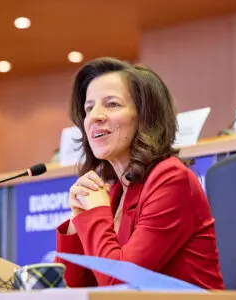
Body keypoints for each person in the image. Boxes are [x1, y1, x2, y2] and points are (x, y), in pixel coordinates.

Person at [54, 57, 224, 290]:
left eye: (112, 104)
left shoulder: (172, 180)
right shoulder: (115, 192)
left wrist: (95, 213)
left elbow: (119, 284)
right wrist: (78, 221)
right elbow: (69, 289)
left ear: (145, 116)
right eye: (89, 107)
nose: (94, 117)